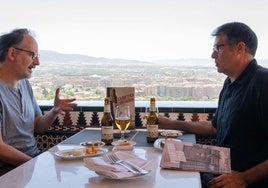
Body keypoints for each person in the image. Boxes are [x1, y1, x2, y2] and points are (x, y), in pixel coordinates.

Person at [158, 22, 268, 188]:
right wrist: (171, 124)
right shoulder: (230, 83)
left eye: (218, 48)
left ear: (240, 48)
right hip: (220, 171)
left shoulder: (263, 82)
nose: (212, 55)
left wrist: (244, 178)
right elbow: (214, 128)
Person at [0, 28, 77, 175]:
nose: (37, 62)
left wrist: (54, 111)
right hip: (7, 171)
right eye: (32, 55)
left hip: (31, 161)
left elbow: (38, 126)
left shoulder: (24, 85)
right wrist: (36, 164)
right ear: (12, 53)